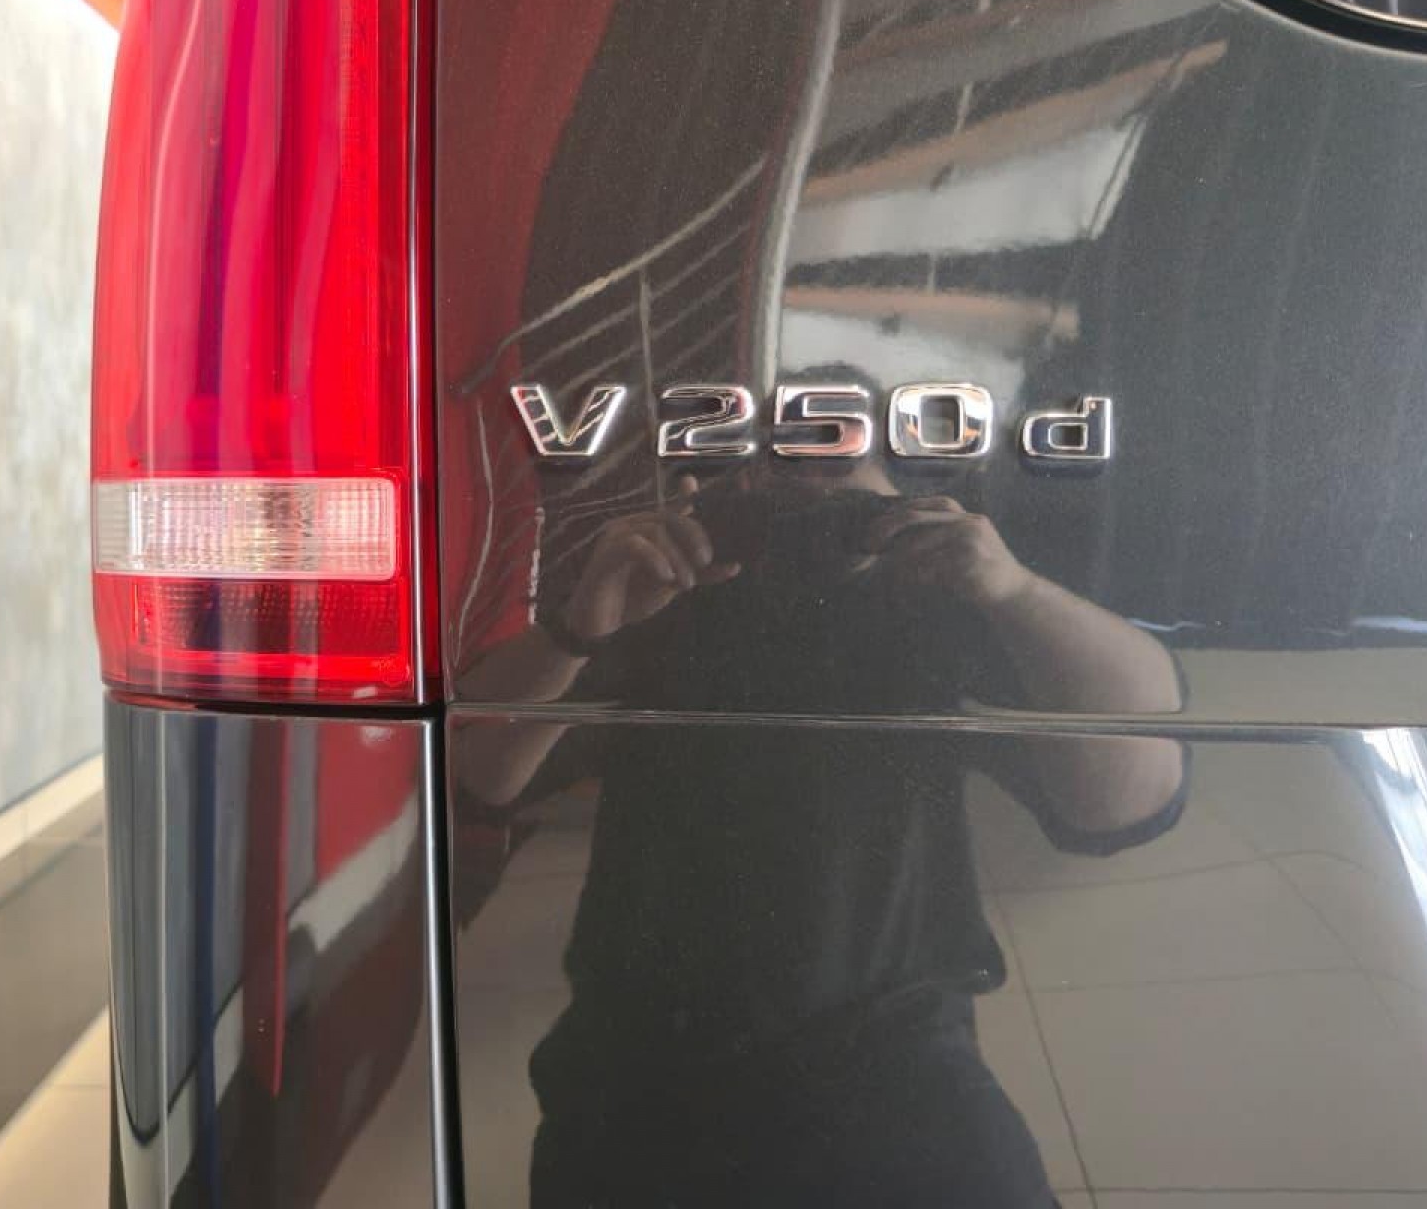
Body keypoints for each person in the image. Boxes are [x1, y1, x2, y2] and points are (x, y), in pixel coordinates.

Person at [457, 463, 1187, 1207]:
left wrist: (1014, 592)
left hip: (890, 1061)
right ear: (724, 487)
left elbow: (1127, 800)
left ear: (912, 496)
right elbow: (474, 775)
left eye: (846, 497)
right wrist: (579, 628)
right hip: (643, 1065)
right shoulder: (662, 591)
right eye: (779, 488)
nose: (810, 523)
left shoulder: (930, 603)